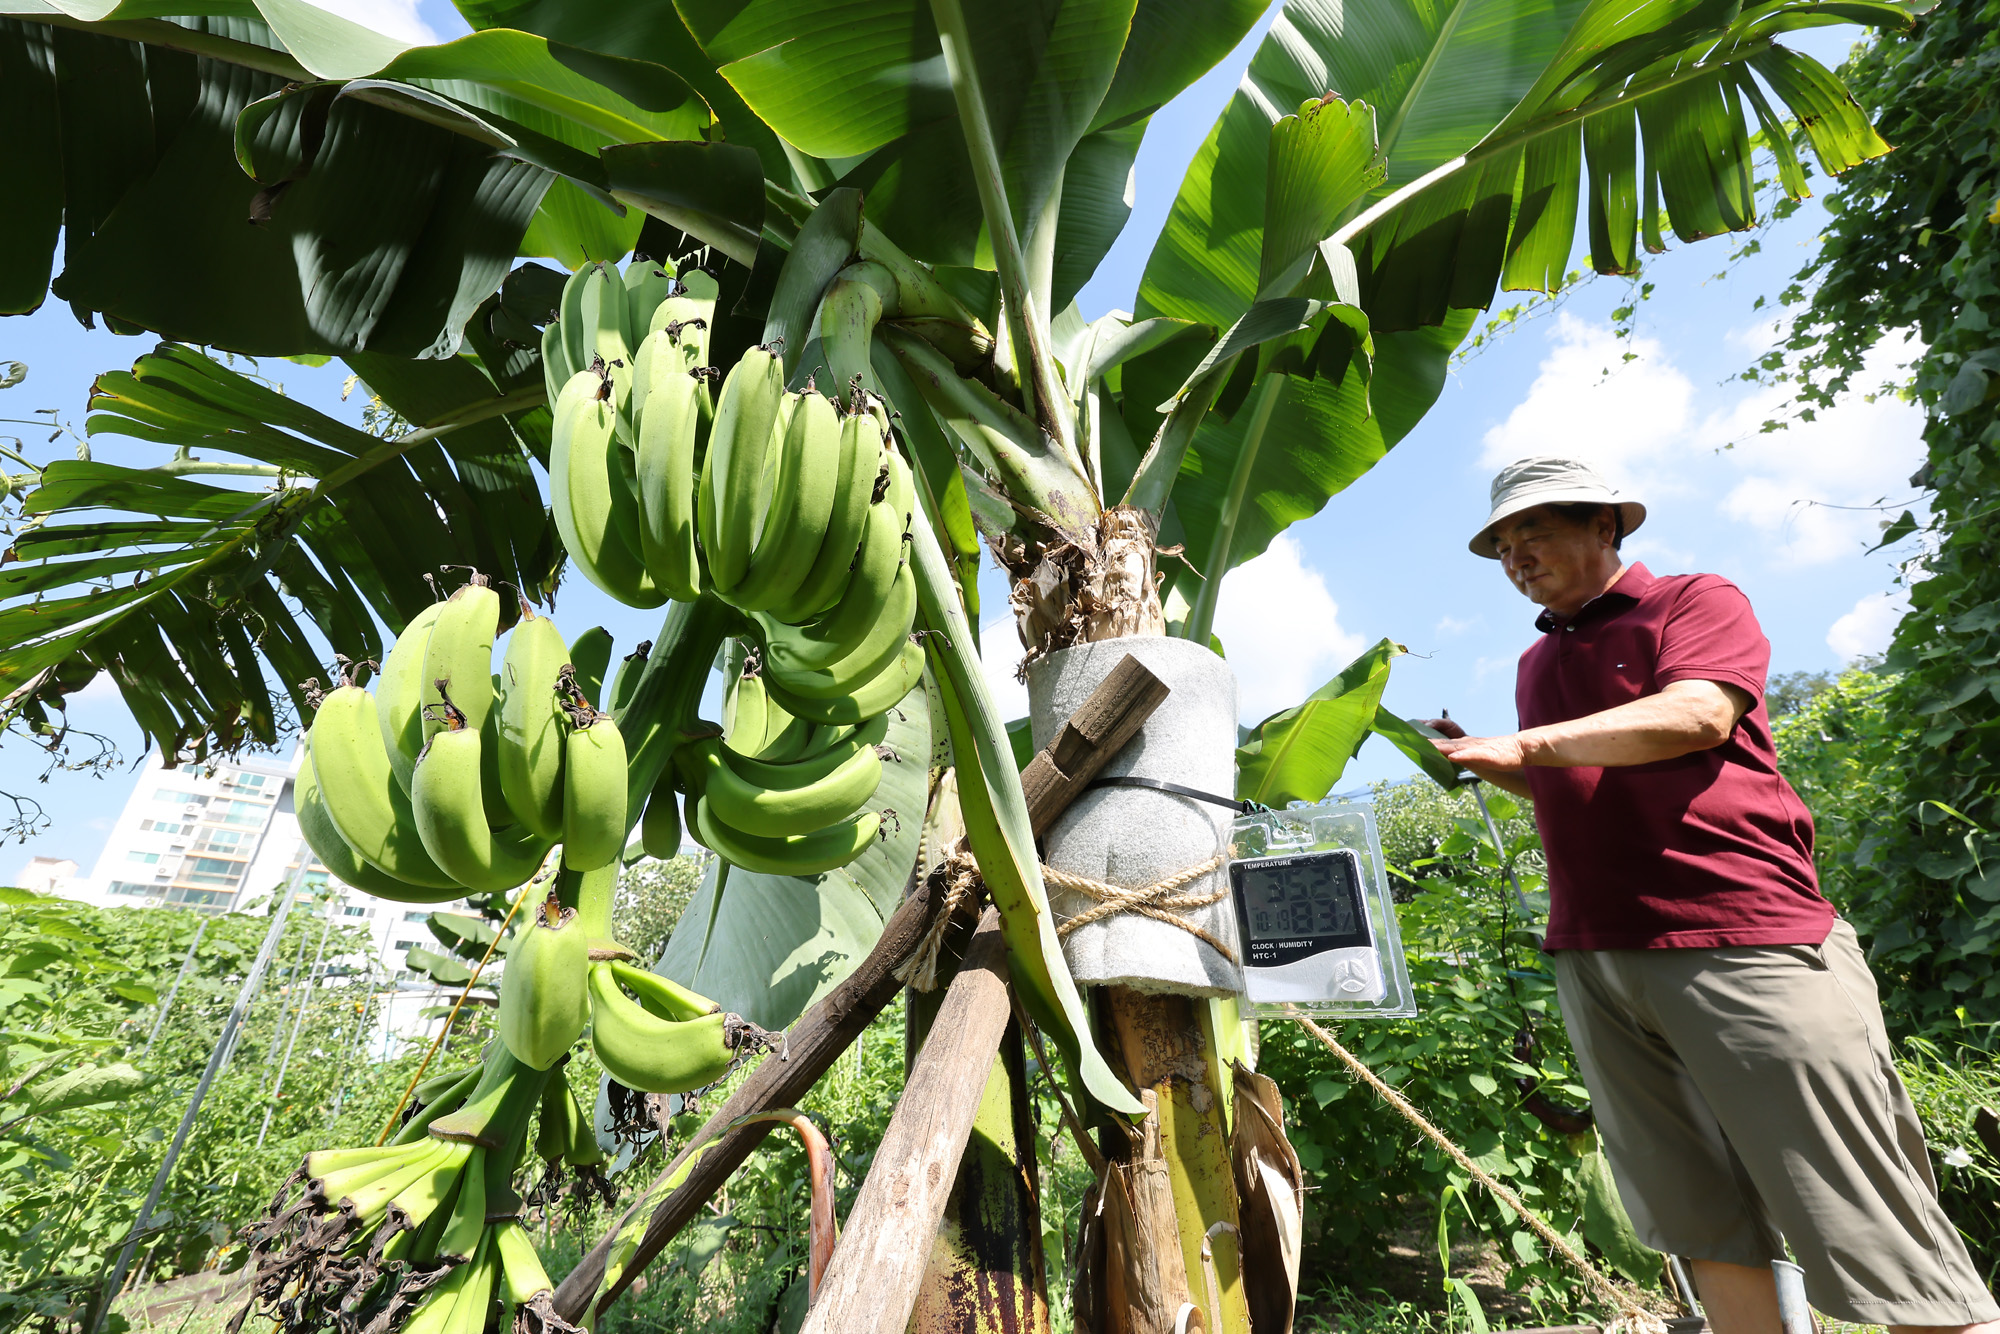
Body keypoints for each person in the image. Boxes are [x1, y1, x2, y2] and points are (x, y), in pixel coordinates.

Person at [1424, 457, 1999, 1334]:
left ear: (1607, 524)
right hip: (1599, 957)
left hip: (1744, 940)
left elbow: (1697, 716)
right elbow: (1573, 788)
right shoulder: (1538, 661)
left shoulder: (1692, 601)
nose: (1516, 554)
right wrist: (1499, 761)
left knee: (1867, 1220)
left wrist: (1530, 746)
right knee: (1702, 1225)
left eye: (1533, 530)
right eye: (1502, 541)